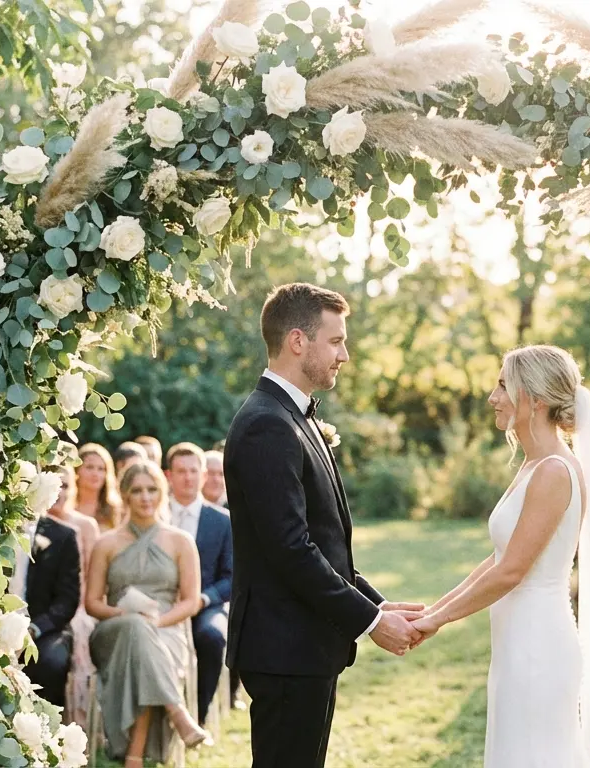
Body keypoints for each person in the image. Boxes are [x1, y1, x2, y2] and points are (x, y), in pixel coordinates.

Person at [410, 344, 590, 768]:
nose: (492, 397)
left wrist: (437, 621)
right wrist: (433, 610)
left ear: (534, 399)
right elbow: (499, 558)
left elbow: (511, 572)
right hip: (516, 639)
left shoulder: (555, 471)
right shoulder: (533, 465)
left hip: (539, 643)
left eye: (503, 385)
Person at [224, 283, 423, 768]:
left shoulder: (296, 416)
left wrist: (374, 600)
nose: (345, 355)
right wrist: (371, 622)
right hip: (283, 649)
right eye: (335, 341)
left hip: (304, 645)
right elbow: (291, 549)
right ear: (298, 341)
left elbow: (323, 542)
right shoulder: (267, 424)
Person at [87, 460, 211, 764]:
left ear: (162, 492)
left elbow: (190, 601)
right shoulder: (106, 543)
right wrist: (124, 616)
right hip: (113, 631)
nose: (145, 497)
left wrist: (156, 621)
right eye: (137, 490)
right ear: (125, 495)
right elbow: (92, 602)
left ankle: (134, 755)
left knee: (143, 645)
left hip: (167, 629)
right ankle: (177, 712)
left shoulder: (181, 541)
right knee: (136, 632)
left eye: (152, 490)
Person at [165, 441, 234, 725]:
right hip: (160, 602)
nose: (188, 477)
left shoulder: (222, 521)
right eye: (181, 471)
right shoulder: (156, 514)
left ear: (204, 475)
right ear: (168, 476)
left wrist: (202, 599)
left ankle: (199, 716)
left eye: (194, 471)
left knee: (213, 636)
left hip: (205, 604)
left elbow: (233, 576)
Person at [14, 483, 82, 710]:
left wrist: (34, 629)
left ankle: (46, 730)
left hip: (43, 628)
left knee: (52, 662)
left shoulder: (63, 536)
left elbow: (67, 600)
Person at [45, 465, 102, 725]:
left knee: (79, 632)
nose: (60, 492)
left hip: (79, 606)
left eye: (65, 485)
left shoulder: (85, 526)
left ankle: (77, 725)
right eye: (55, 485)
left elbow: (93, 577)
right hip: (42, 608)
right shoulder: (32, 526)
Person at [77, 443, 125, 533]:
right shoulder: (65, 505)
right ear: (77, 470)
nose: (95, 474)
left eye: (101, 469)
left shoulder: (116, 510)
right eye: (90, 467)